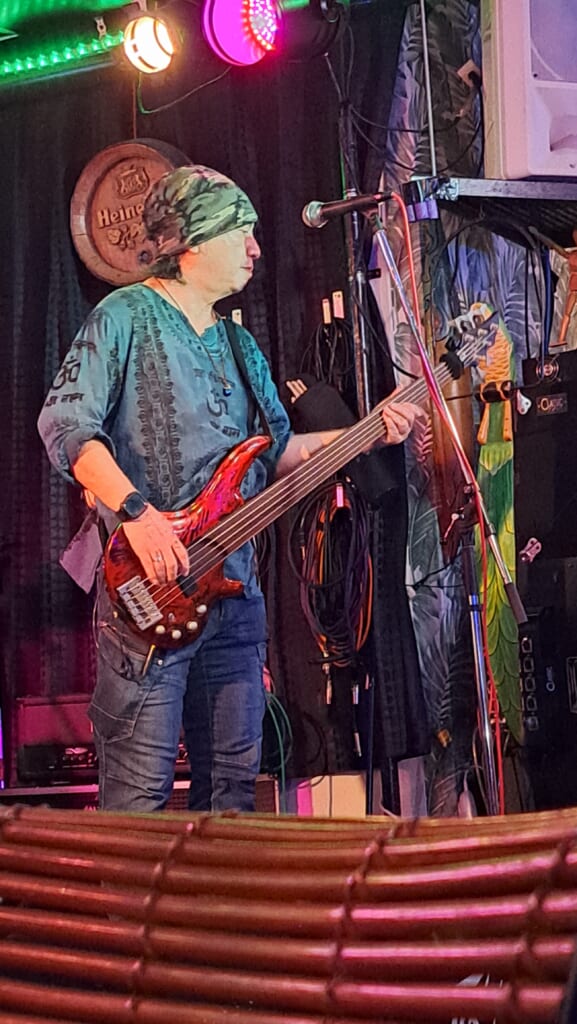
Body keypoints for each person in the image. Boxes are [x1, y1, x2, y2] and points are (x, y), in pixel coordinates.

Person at [38, 164, 420, 814]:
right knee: (139, 803)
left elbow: (276, 456)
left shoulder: (239, 344)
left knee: (233, 801)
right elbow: (65, 425)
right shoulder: (122, 316)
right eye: (238, 232)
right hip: (146, 595)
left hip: (233, 601)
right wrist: (137, 514)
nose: (254, 248)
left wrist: (367, 433)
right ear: (191, 240)